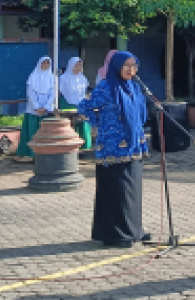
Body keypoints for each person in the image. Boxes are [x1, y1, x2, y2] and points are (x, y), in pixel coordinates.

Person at [78, 51, 151, 248]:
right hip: (112, 148)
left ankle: (134, 229)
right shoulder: (106, 87)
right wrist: (100, 123)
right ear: (117, 66)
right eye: (126, 65)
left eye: (134, 65)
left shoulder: (134, 87)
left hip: (134, 146)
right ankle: (116, 234)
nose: (131, 69)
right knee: (117, 191)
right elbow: (84, 107)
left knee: (132, 190)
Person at [14, 56, 55, 162]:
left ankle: (44, 155)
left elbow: (53, 94)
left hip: (46, 111)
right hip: (33, 110)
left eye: (47, 64)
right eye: (43, 63)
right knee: (32, 132)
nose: (45, 66)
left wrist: (45, 107)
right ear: (39, 64)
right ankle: (30, 154)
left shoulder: (52, 78)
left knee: (45, 133)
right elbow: (30, 93)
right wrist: (37, 107)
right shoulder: (33, 76)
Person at [59, 57, 92, 153]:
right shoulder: (63, 78)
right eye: (76, 66)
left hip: (81, 104)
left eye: (80, 66)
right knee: (69, 125)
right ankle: (69, 147)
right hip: (67, 104)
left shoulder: (83, 79)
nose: (78, 68)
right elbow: (61, 92)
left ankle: (83, 148)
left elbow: (84, 93)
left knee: (83, 123)